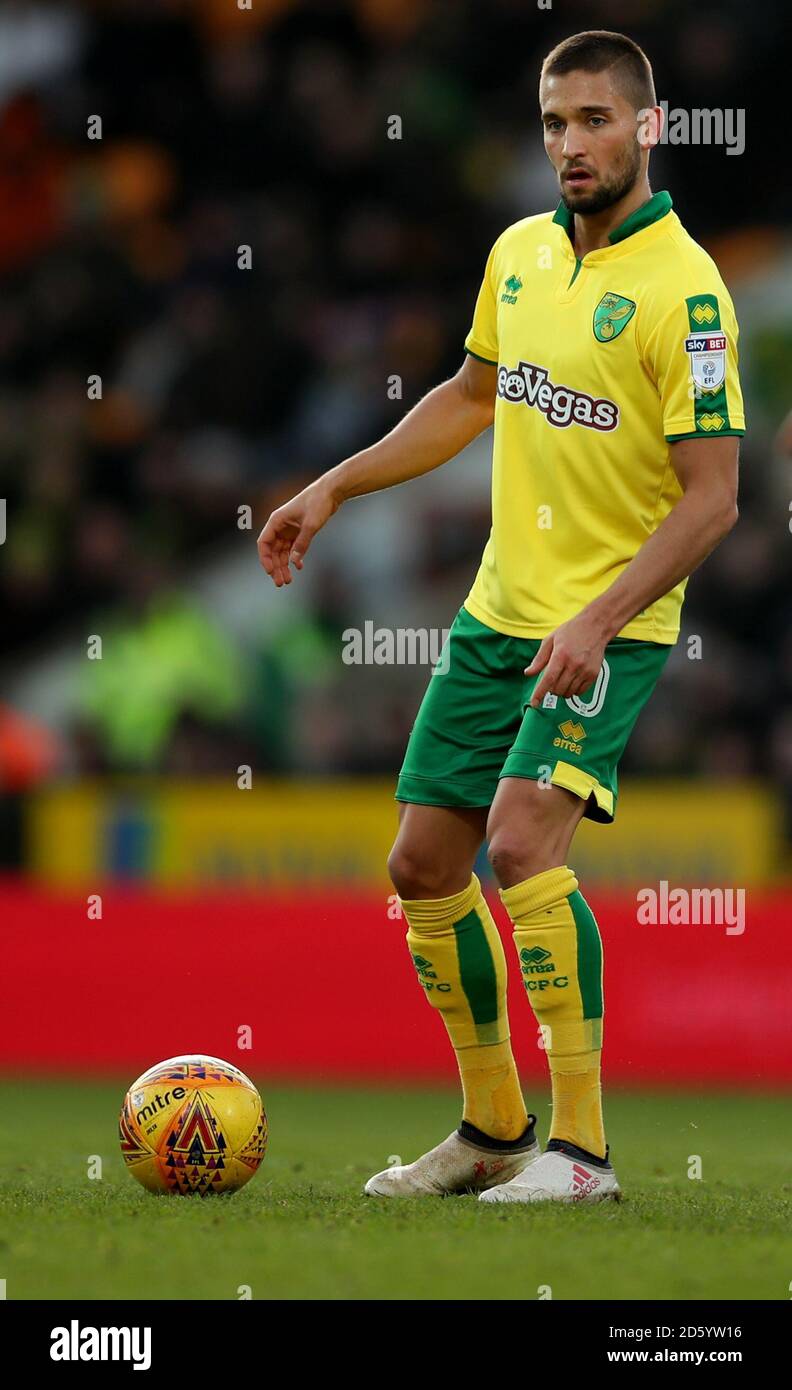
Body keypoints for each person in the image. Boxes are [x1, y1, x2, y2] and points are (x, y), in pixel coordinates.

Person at [257, 30, 744, 1204]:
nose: (570, 145)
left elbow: (714, 499)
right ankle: (491, 1126)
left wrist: (600, 616)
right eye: (552, 123)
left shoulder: (687, 291)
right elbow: (470, 397)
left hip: (607, 625)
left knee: (521, 843)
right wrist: (335, 482)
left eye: (592, 120)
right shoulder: (520, 253)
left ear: (649, 126)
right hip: (495, 614)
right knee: (424, 865)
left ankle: (582, 1155)